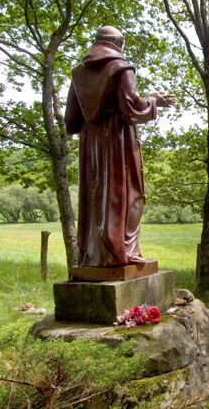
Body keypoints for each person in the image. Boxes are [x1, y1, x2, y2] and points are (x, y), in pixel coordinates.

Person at [64, 26, 174, 267]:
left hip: (90, 143)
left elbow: (70, 122)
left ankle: (94, 255)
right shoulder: (121, 68)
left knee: (96, 195)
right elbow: (132, 108)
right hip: (118, 139)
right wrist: (154, 101)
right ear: (119, 44)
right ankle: (121, 251)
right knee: (126, 192)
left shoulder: (78, 73)